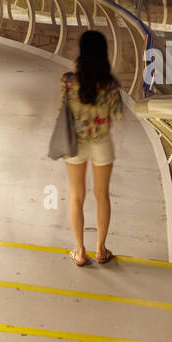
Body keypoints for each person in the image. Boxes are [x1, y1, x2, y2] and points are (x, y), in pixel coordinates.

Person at [61, 30, 124, 266]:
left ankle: (79, 252)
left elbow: (64, 111)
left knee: (76, 196)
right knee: (102, 196)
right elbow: (117, 115)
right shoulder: (111, 86)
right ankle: (100, 249)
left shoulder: (68, 81)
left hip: (75, 144)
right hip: (101, 143)